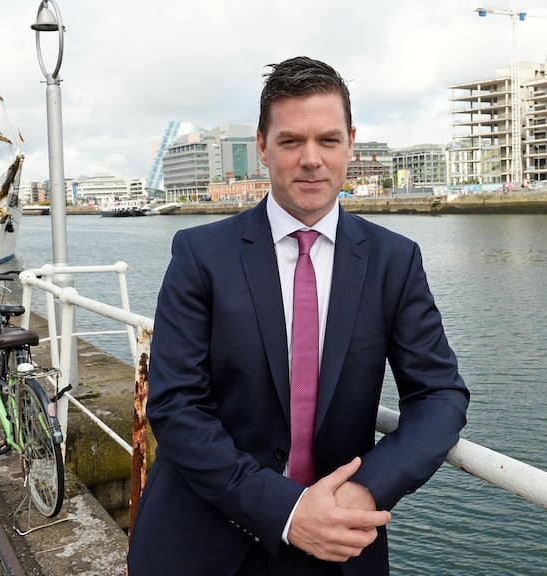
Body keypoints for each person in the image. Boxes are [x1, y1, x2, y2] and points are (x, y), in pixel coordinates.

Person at [127, 56, 470, 576]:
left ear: (350, 144)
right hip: (207, 536)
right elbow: (176, 405)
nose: (311, 159)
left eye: (328, 140)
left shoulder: (394, 262)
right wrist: (284, 509)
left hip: (338, 544)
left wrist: (365, 489)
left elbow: (440, 395)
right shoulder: (201, 255)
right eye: (291, 141)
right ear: (262, 147)